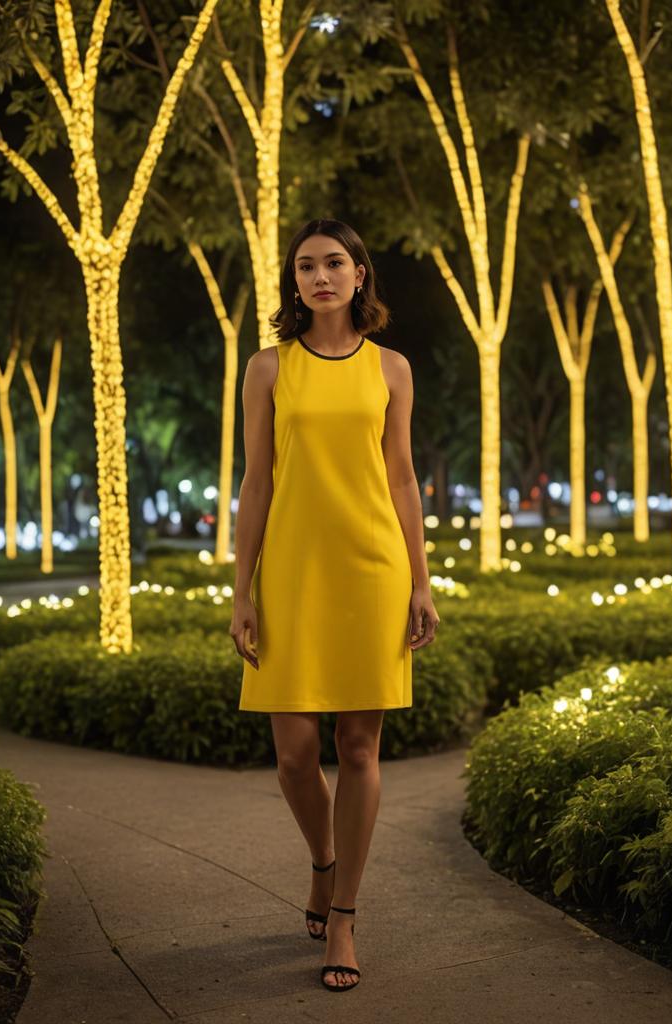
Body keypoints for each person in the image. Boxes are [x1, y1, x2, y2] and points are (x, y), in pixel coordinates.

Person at [230, 218, 440, 993]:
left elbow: (403, 479)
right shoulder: (266, 369)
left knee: (358, 748)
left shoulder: (391, 369)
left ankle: (343, 914)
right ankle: (322, 861)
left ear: (360, 276)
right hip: (291, 573)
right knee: (292, 756)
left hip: (372, 568)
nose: (322, 276)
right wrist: (241, 589)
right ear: (295, 282)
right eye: (308, 266)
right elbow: (257, 483)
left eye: (336, 264)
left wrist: (420, 581)